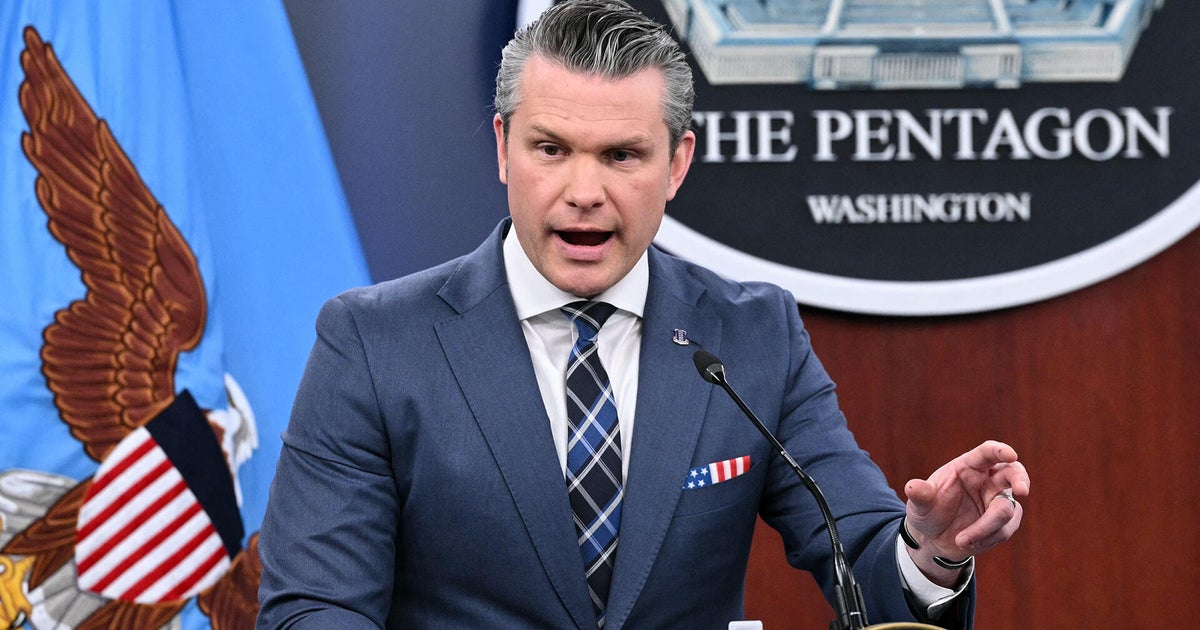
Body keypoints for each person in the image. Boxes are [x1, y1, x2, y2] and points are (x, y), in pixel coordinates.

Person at [256, 1, 1030, 628]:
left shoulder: (751, 335)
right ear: (502, 148)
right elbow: (314, 609)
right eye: (551, 149)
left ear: (677, 164)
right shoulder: (374, 343)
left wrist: (928, 552)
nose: (583, 192)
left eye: (621, 155)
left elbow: (861, 558)